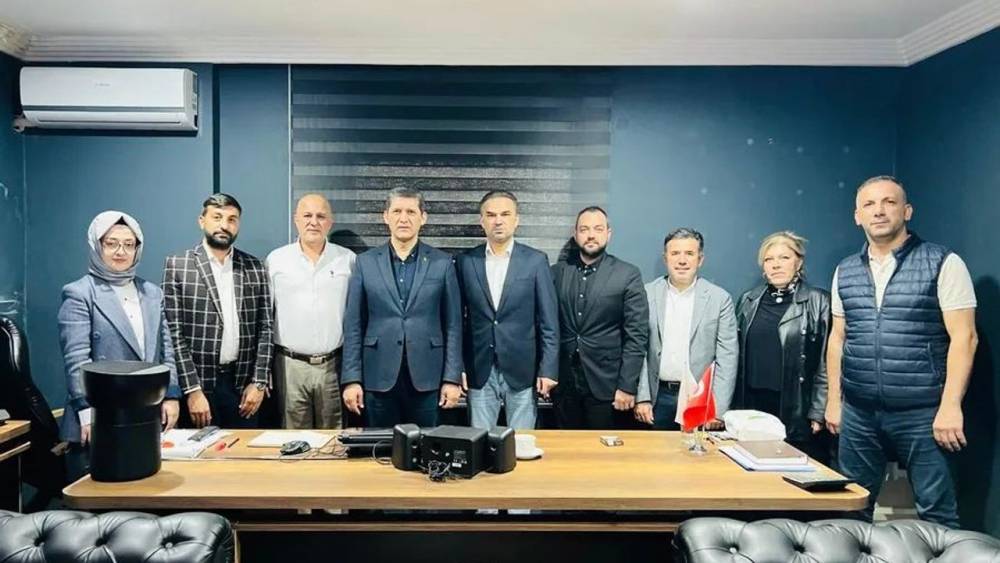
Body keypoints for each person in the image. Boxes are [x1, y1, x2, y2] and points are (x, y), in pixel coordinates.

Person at [826, 175, 977, 527]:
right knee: (851, 510)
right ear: (857, 216)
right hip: (860, 412)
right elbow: (838, 338)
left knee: (937, 514)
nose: (879, 211)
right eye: (869, 204)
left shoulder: (943, 262)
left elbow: (965, 338)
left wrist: (950, 406)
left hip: (923, 412)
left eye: (889, 202)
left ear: (907, 211)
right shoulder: (845, 270)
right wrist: (835, 400)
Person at [58, 211, 181, 480]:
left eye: (129, 244)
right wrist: (86, 411)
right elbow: (76, 359)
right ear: (96, 245)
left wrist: (171, 395)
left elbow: (168, 349)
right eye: (111, 243)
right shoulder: (80, 293)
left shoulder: (152, 293)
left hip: (144, 414)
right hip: (99, 417)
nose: (120, 251)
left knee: (147, 493)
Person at [341, 187, 462, 428]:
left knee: (428, 446)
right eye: (397, 211)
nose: (403, 218)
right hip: (378, 376)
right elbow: (353, 325)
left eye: (411, 212)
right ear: (385, 216)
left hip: (428, 377)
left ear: (423, 217)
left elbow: (454, 325)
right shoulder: (365, 262)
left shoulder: (442, 263)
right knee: (380, 445)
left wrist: (452, 378)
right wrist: (352, 379)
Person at [163, 193, 273, 428]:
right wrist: (192, 390)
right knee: (199, 451)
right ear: (201, 220)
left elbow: (265, 328)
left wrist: (259, 382)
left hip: (243, 388)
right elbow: (174, 334)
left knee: (243, 451)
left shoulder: (254, 266)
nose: (224, 225)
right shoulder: (178, 265)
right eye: (217, 217)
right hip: (199, 388)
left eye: (232, 219)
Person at [456, 190, 559, 430]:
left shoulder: (535, 261)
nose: (498, 221)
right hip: (478, 369)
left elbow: (549, 321)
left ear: (516, 220)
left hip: (523, 369)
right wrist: (457, 368)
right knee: (478, 441)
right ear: (482, 221)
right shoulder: (465, 261)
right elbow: (456, 322)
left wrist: (548, 368)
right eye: (491, 215)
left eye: (505, 214)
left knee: (522, 441)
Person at [734, 231, 833, 465]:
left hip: (797, 408)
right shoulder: (748, 300)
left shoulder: (819, 301)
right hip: (753, 407)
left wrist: (819, 410)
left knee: (796, 474)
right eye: (769, 259)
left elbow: (826, 361)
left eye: (784, 258)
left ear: (799, 262)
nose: (776, 265)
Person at [550, 206, 648, 429]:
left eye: (598, 229)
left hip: (607, 386)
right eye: (584, 229)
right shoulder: (556, 272)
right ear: (576, 234)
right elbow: (546, 326)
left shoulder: (627, 274)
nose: (591, 235)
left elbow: (637, 336)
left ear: (608, 234)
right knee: (565, 447)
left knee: (602, 449)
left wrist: (627, 386)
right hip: (564, 385)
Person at [266, 194, 355, 429]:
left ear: (330, 222)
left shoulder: (347, 260)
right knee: (293, 439)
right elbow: (265, 319)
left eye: (320, 216)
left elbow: (357, 316)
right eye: (307, 215)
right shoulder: (276, 260)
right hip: (289, 366)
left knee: (334, 439)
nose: (313, 222)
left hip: (333, 366)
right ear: (296, 219)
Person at [635, 228, 738, 430]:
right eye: (675, 253)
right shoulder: (645, 294)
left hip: (699, 400)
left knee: (695, 451)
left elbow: (728, 358)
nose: (682, 260)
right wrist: (642, 397)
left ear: (700, 260)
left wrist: (717, 410)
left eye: (689, 254)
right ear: (665, 258)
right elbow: (638, 349)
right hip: (657, 398)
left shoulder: (719, 299)